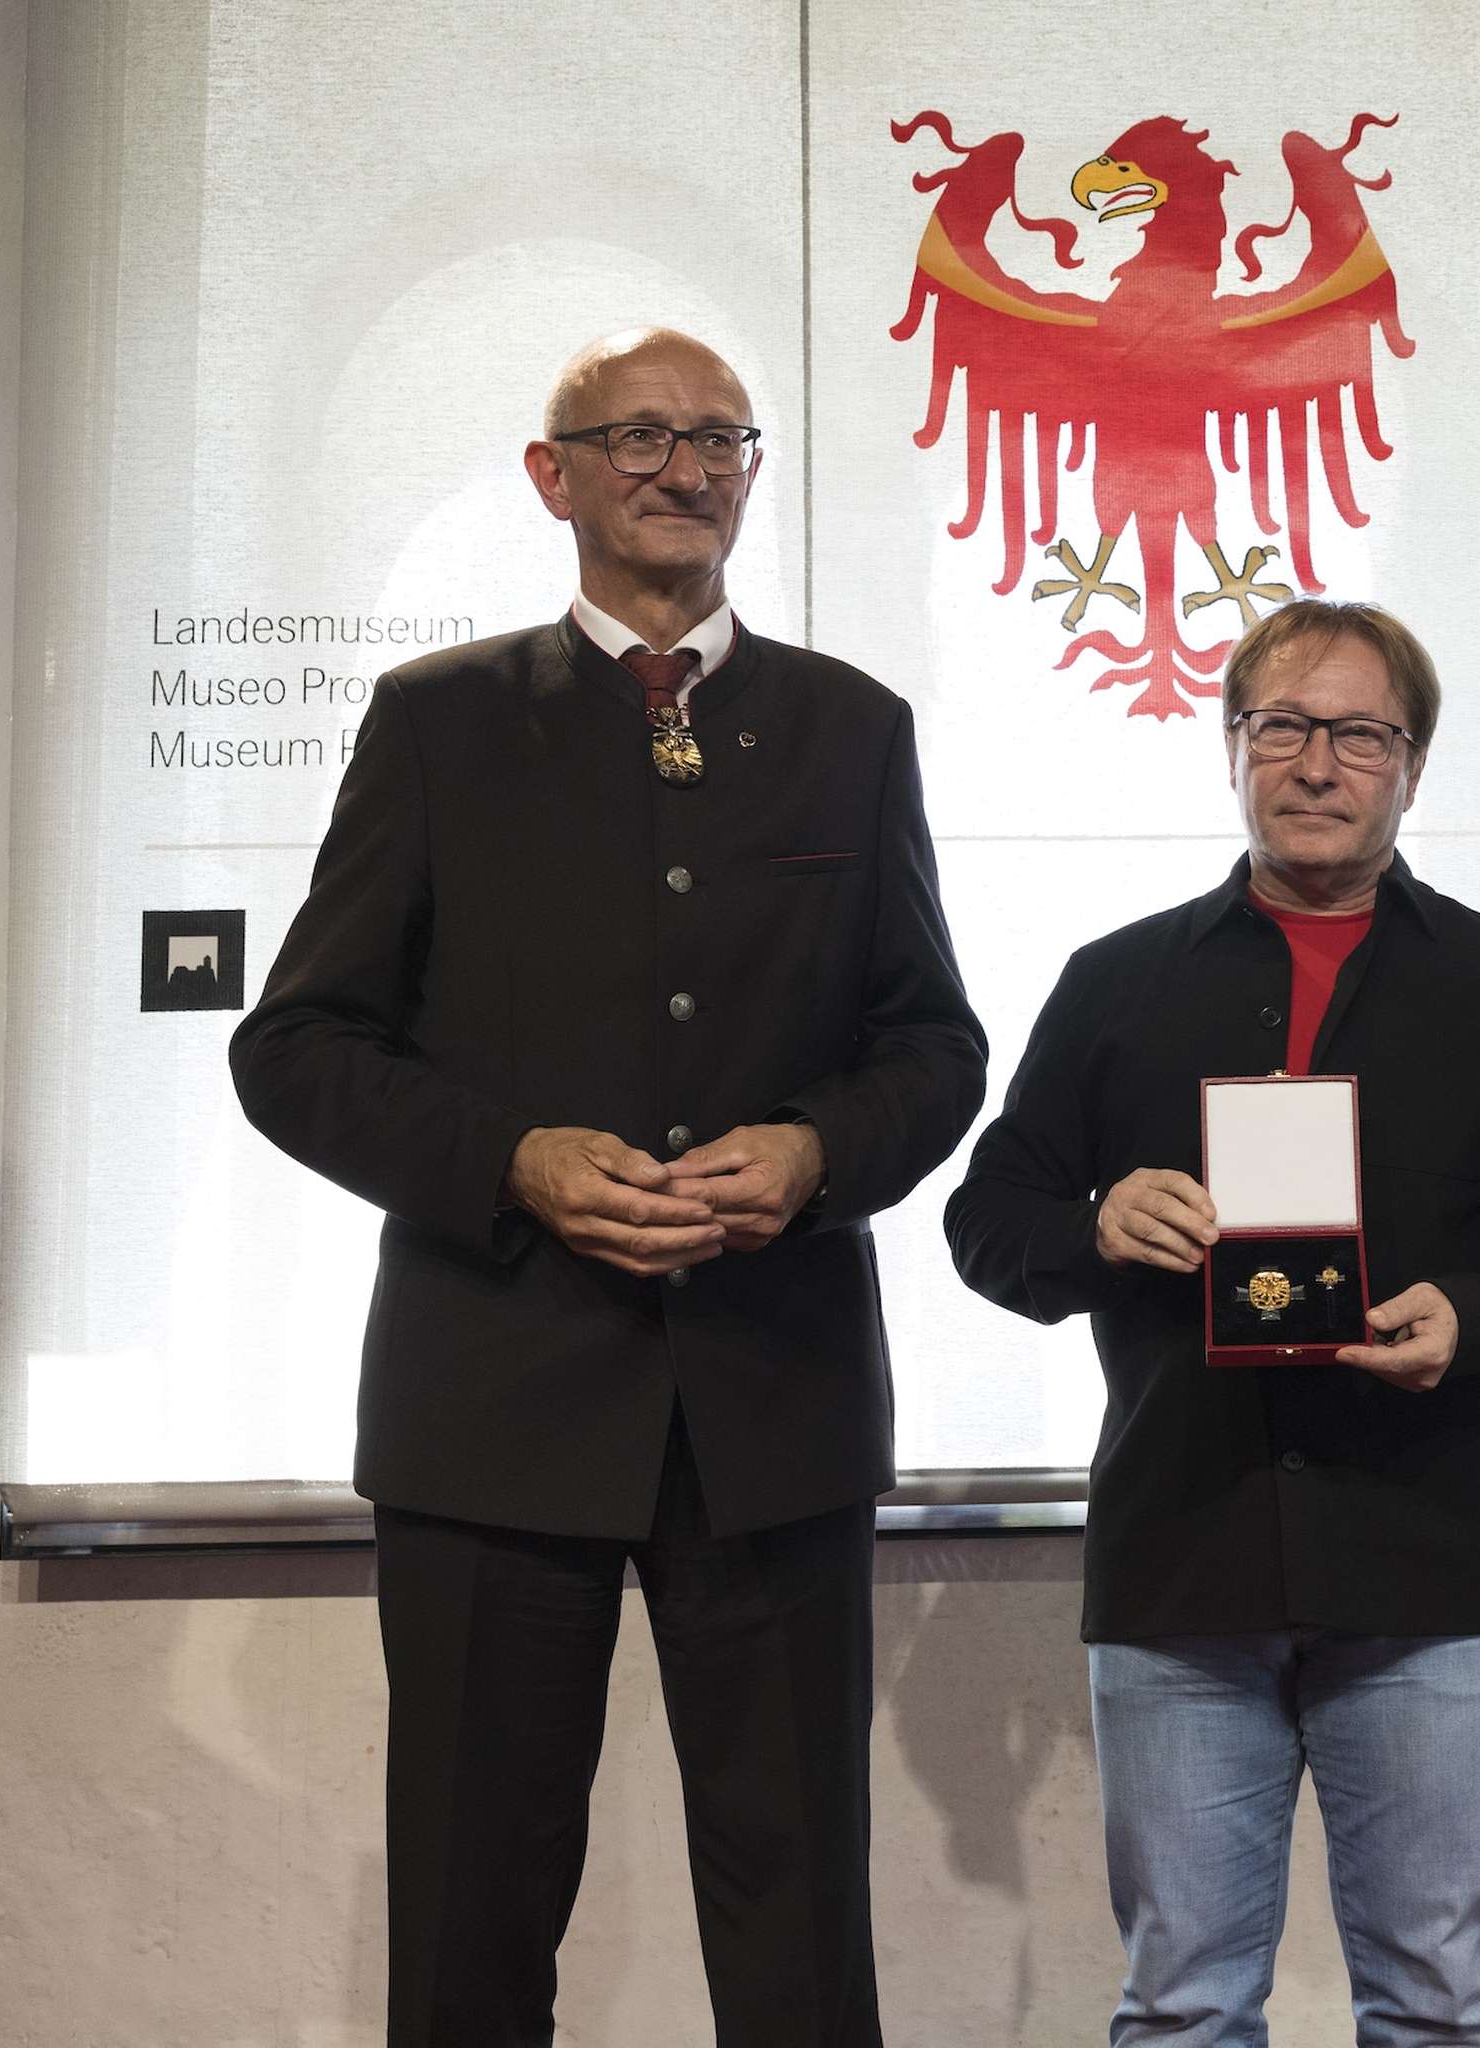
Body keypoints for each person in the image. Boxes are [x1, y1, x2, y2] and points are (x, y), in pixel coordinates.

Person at [230, 325, 985, 2047]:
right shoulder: (437, 728)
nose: (684, 466)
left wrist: (810, 1157)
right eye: (640, 434)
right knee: (469, 1926)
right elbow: (298, 1049)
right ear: (551, 475)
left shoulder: (851, 730)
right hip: (491, 1407)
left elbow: (933, 1051)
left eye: (721, 436)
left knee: (802, 1933)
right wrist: (510, 1161)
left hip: (773, 1407)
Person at [946, 599, 1480, 2048]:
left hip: (1424, 1551)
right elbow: (985, 1224)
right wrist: (1093, 1224)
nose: (1319, 764)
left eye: (1360, 734)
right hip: (1184, 1549)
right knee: (1184, 2001)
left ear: (1413, 766)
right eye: (1284, 727)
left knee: (1441, 1995)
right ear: (1233, 748)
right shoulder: (1116, 981)